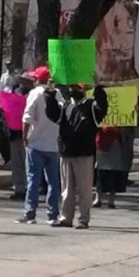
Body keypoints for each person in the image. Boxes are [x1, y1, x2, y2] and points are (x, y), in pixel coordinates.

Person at [46, 84, 108, 229]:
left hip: (84, 154)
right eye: (73, 88)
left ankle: (83, 219)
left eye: (78, 88)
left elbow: (102, 109)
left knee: (84, 189)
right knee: (67, 189)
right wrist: (49, 95)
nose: (75, 91)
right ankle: (66, 218)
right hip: (66, 152)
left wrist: (99, 90)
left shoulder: (91, 106)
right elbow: (52, 115)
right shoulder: (65, 106)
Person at [15, 67, 62, 224]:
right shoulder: (58, 94)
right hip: (53, 144)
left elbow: (27, 118)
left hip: (36, 143)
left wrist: (25, 137)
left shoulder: (34, 94)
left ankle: (30, 214)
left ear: (37, 80)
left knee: (33, 180)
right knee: (53, 181)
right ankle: (52, 214)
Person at [5, 73, 34, 201]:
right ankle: (19, 188)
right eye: (21, 81)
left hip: (28, 135)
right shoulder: (14, 94)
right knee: (16, 163)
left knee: (27, 163)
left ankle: (30, 189)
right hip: (14, 133)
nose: (23, 84)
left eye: (25, 81)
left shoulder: (33, 96)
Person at [93, 126, 133, 209]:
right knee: (100, 173)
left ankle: (111, 200)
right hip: (103, 140)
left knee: (115, 172)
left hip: (117, 142)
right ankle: (98, 198)